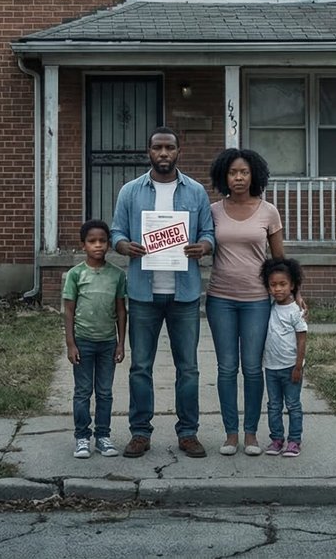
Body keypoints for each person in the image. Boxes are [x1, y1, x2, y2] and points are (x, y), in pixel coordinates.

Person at [111, 127, 216, 460]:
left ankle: (188, 433)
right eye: (158, 147)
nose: (164, 153)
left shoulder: (196, 192)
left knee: (189, 368)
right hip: (143, 293)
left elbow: (209, 233)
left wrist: (204, 246)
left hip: (184, 294)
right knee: (141, 366)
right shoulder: (130, 191)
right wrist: (123, 245)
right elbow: (117, 231)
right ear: (149, 152)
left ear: (178, 151)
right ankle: (140, 433)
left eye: (169, 147)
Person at [206, 148, 285, 458]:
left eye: (244, 172)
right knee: (227, 369)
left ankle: (251, 434)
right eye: (232, 173)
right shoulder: (212, 211)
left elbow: (280, 260)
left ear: (255, 175)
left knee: (252, 369)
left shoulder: (268, 211)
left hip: (257, 301)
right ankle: (230, 434)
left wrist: (296, 294)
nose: (238, 178)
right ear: (224, 176)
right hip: (220, 300)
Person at [62, 219, 127, 459]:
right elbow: (68, 310)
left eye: (102, 241)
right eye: (92, 241)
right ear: (83, 245)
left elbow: (121, 310)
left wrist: (121, 343)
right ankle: (81, 437)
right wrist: (71, 343)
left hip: (108, 343)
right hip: (84, 342)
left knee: (104, 392)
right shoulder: (75, 275)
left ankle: (103, 436)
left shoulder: (117, 275)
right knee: (82, 391)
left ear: (109, 244)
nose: (98, 245)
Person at [260, 257, 308, 458]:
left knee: (293, 405)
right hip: (271, 367)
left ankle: (294, 441)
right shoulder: (269, 307)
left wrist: (298, 366)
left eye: (282, 284)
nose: (278, 289)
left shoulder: (296, 311)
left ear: (292, 285)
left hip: (290, 367)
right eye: (273, 285)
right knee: (274, 405)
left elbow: (302, 340)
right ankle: (277, 439)